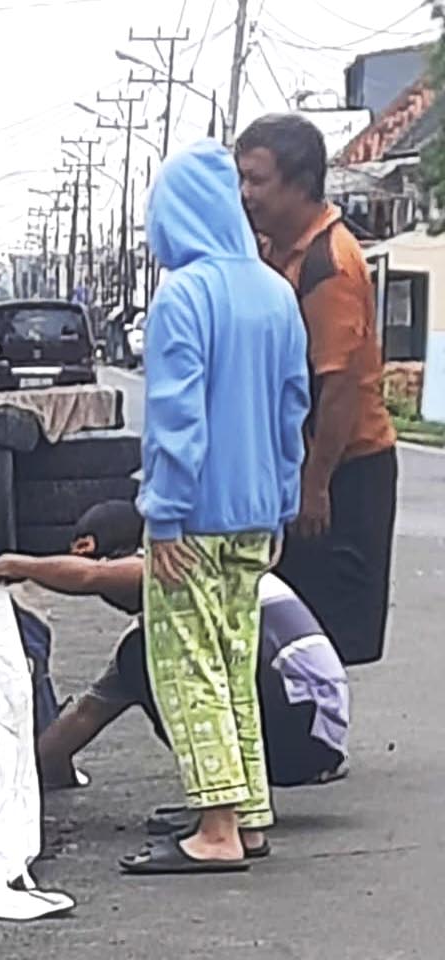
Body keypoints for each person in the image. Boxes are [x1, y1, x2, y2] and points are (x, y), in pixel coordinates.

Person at [125, 138, 310, 874]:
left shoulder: (183, 294)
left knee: (187, 666)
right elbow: (294, 408)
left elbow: (176, 415)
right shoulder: (275, 291)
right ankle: (250, 813)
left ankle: (217, 828)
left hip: (193, 517)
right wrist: (285, 505)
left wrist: (162, 512)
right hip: (258, 514)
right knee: (236, 662)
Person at [0, 502, 350, 820]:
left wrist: (19, 564)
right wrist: (34, 769)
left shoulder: (183, 565)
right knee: (139, 657)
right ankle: (224, 802)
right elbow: (85, 716)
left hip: (301, 725)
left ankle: (220, 805)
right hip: (313, 735)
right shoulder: (165, 625)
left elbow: (93, 576)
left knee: (142, 655)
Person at [237, 114, 399, 668]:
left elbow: (339, 388)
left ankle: (317, 738)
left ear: (300, 183)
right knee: (289, 610)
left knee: (326, 623)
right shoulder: (277, 253)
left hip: (345, 465)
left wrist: (316, 485)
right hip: (303, 462)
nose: (246, 194)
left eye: (257, 180)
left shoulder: (332, 263)